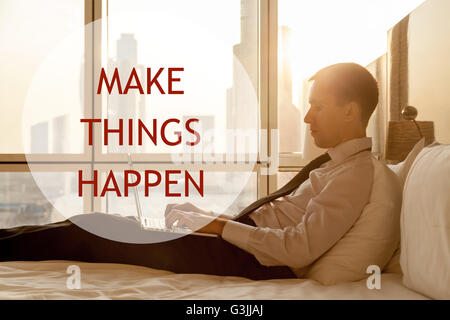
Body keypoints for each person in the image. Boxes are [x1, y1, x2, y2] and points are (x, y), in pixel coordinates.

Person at [0, 62, 379, 281]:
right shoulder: (335, 167)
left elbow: (298, 249)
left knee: (91, 231)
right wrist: (207, 217)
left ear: (350, 110)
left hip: (245, 262)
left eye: (318, 106)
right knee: (95, 221)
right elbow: (279, 226)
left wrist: (216, 226)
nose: (308, 116)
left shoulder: (355, 175)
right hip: (234, 246)